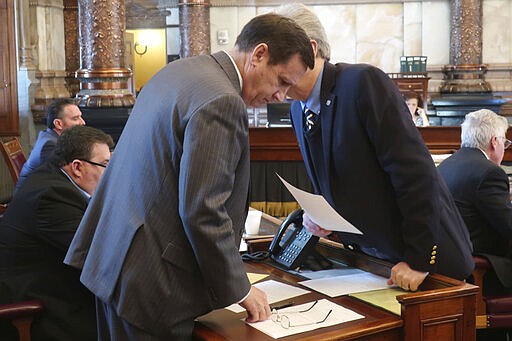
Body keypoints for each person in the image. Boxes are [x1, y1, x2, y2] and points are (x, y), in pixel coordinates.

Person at [64, 13, 314, 340]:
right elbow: (202, 210)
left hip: (116, 259)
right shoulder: (222, 100)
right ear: (259, 54)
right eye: (281, 81)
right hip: (153, 282)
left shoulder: (181, 70)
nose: (281, 96)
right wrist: (239, 289)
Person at [274, 3, 473, 292]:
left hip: (426, 264)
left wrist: (418, 260)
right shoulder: (296, 110)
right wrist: (321, 217)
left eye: (277, 59)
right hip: (373, 263)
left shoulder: (363, 83)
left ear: (310, 48)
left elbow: (415, 175)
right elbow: (341, 180)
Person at [0, 125, 114, 341]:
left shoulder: (56, 179)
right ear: (78, 167)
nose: (110, 175)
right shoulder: (51, 196)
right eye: (105, 166)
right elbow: (97, 253)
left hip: (52, 281)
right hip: (37, 304)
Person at [438, 109, 512, 295]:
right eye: (505, 141)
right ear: (495, 142)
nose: (505, 147)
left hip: (450, 254)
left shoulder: (447, 164)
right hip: (482, 261)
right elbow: (508, 225)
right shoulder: (490, 173)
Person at [16, 98, 86, 191]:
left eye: (80, 117)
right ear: (58, 124)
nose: (83, 122)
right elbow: (69, 178)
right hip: (34, 202)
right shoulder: (49, 145)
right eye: (75, 118)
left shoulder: (50, 137)